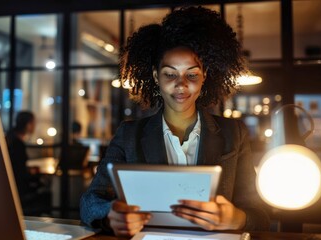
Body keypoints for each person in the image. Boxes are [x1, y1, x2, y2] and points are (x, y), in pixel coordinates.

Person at [80, 6, 270, 237]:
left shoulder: (234, 132)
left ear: (205, 76)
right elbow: (90, 202)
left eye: (192, 74)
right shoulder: (129, 134)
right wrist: (112, 214)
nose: (181, 85)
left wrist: (234, 218)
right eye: (170, 74)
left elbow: (259, 213)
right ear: (155, 77)